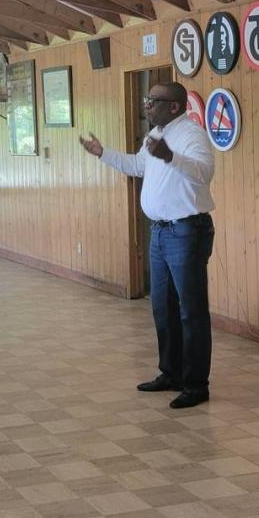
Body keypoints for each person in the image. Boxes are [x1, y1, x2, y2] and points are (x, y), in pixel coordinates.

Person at [80, 81, 215, 409]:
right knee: (162, 307)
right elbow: (138, 166)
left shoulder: (191, 134)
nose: (146, 105)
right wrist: (103, 154)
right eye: (147, 99)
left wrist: (171, 157)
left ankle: (196, 385)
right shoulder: (154, 135)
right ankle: (171, 373)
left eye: (154, 101)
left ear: (174, 107)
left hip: (187, 231)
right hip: (160, 233)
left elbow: (204, 173)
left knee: (191, 310)